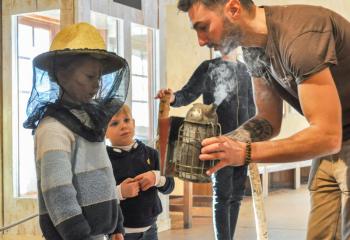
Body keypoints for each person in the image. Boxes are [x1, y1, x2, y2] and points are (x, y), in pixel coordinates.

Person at [176, 0, 350, 239]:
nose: (201, 40)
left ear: (233, 9)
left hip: (332, 136)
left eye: (203, 27)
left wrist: (245, 153)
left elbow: (327, 136)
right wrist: (224, 145)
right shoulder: (253, 50)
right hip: (337, 137)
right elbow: (268, 120)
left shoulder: (299, 37)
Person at [23, 22, 130, 240]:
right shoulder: (53, 129)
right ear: (62, 76)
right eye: (90, 77)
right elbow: (58, 192)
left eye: (99, 77)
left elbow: (106, 177)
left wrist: (116, 224)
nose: (97, 85)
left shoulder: (90, 122)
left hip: (98, 234)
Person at [156, 49, 255, 240]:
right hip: (217, 140)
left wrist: (253, 138)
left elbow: (252, 107)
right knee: (223, 195)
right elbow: (187, 94)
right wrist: (172, 98)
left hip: (243, 143)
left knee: (236, 196)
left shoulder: (246, 70)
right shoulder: (208, 67)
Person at [105, 104, 175, 240]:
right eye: (114, 123)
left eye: (127, 120)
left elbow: (170, 186)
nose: (123, 126)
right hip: (120, 233)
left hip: (151, 229)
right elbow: (100, 198)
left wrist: (156, 178)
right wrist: (121, 191)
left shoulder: (153, 154)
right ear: (104, 132)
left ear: (134, 123)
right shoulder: (104, 161)